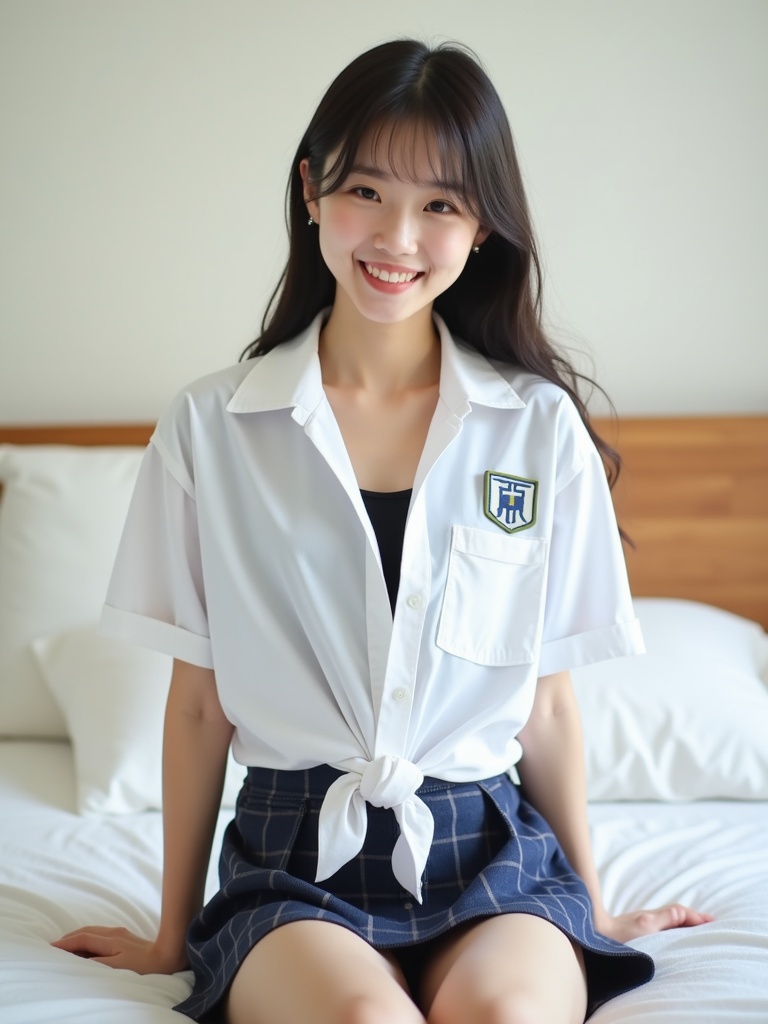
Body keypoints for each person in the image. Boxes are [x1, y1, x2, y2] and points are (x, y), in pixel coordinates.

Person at [53, 38, 712, 1024]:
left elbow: (548, 711)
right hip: (291, 857)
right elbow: (198, 709)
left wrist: (600, 904)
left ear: (482, 225)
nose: (397, 236)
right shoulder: (209, 426)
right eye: (366, 189)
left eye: (441, 203)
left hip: (492, 849)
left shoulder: (536, 430)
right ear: (312, 189)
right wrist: (167, 929)